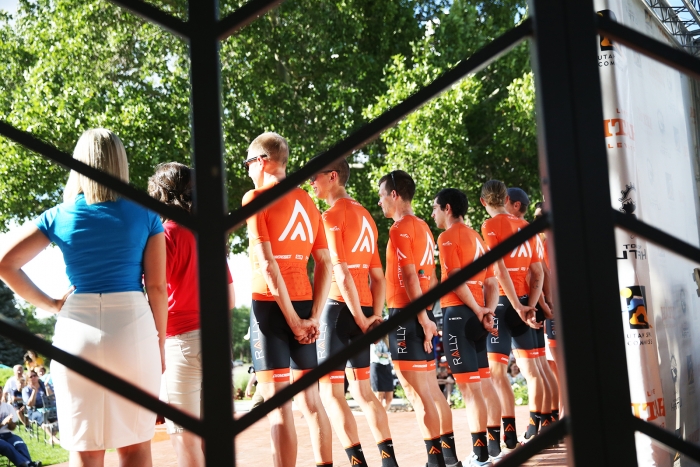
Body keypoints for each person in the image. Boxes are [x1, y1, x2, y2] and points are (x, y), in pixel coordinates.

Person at [0, 128, 166, 467]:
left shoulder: (59, 215)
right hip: (131, 327)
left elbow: (6, 265)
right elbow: (158, 288)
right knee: (134, 445)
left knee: (85, 448)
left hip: (76, 328)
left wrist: (50, 304)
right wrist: (158, 344)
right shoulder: (146, 214)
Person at [242, 132, 333, 467]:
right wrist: (312, 318)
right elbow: (325, 263)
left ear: (262, 161)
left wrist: (295, 322)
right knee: (311, 401)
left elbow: (267, 264)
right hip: (305, 306)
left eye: (248, 162)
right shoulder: (310, 203)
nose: (248, 170)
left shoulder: (255, 197)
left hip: (270, 307)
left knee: (279, 406)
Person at [311, 157, 400, 467]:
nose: (311, 182)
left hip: (336, 312)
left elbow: (342, 272)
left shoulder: (331, 216)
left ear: (333, 176)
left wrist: (364, 319)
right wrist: (373, 316)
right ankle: (389, 462)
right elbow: (378, 276)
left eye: (316, 177)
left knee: (331, 394)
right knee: (364, 393)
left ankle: (357, 463)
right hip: (362, 310)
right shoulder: (367, 216)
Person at [148, 162, 235, 467]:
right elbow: (230, 299)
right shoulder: (207, 235)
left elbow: (156, 291)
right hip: (215, 342)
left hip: (180, 342)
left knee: (184, 437)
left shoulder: (165, 235)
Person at [378, 170, 461, 467]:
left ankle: (435, 461)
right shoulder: (425, 227)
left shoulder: (400, 228)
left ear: (395, 195)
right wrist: (428, 315)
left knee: (416, 395)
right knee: (431, 391)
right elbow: (432, 277)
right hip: (420, 312)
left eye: (382, 195)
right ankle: (449, 458)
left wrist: (424, 319)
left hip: (406, 314)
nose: (379, 202)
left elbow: (411, 276)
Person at [432, 188, 502, 467]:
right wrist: (488, 312)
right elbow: (492, 283)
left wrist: (478, 309)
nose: (434, 213)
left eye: (436, 208)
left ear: (447, 208)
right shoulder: (477, 237)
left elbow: (455, 280)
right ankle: (493, 449)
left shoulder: (448, 237)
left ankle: (481, 456)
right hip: (477, 317)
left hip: (459, 316)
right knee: (483, 384)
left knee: (470, 391)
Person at [479, 180, 545, 448]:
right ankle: (534, 424)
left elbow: (499, 269)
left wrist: (518, 306)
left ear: (484, 202)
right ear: (506, 198)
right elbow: (538, 272)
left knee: (497, 372)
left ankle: (509, 432)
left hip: (505, 304)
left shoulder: (488, 226)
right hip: (526, 301)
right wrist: (531, 304)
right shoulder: (527, 227)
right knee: (532, 371)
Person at [505, 189, 559, 428]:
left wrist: (542, 303)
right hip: (537, 305)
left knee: (538, 369)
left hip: (530, 306)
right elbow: (543, 273)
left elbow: (542, 273)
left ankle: (539, 423)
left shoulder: (534, 238)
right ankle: (550, 419)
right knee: (546, 367)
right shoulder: (537, 239)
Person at [22, 370, 59, 445]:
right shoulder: (26, 390)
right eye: (31, 376)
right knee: (41, 417)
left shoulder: (43, 384)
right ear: (27, 379)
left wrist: (47, 387)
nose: (33, 378)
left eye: (34, 375)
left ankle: (52, 438)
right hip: (34, 410)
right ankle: (54, 438)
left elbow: (52, 398)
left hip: (48, 407)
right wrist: (34, 392)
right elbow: (30, 405)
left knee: (60, 415)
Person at [0, 399, 41, 467]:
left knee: (19, 443)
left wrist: (10, 423)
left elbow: (13, 427)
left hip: (8, 435)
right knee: (6, 445)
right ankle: (26, 465)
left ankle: (29, 464)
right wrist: (3, 423)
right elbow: (3, 423)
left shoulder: (8, 407)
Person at [370, 338, 394, 411]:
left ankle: (382, 415)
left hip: (387, 366)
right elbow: (376, 354)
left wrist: (385, 355)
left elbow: (392, 353)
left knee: (389, 398)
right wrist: (387, 355)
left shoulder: (388, 339)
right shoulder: (372, 340)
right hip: (376, 366)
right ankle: (378, 417)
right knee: (379, 397)